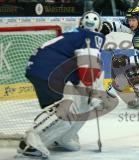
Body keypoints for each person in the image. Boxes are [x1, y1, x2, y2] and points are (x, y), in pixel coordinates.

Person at [17, 11, 110, 158]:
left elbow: (82, 74)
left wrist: (92, 93)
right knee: (66, 107)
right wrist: (94, 92)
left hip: (42, 68)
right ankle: (31, 141)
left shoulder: (74, 34)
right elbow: (88, 68)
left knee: (72, 106)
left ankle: (59, 137)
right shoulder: (93, 36)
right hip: (48, 70)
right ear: (98, 27)